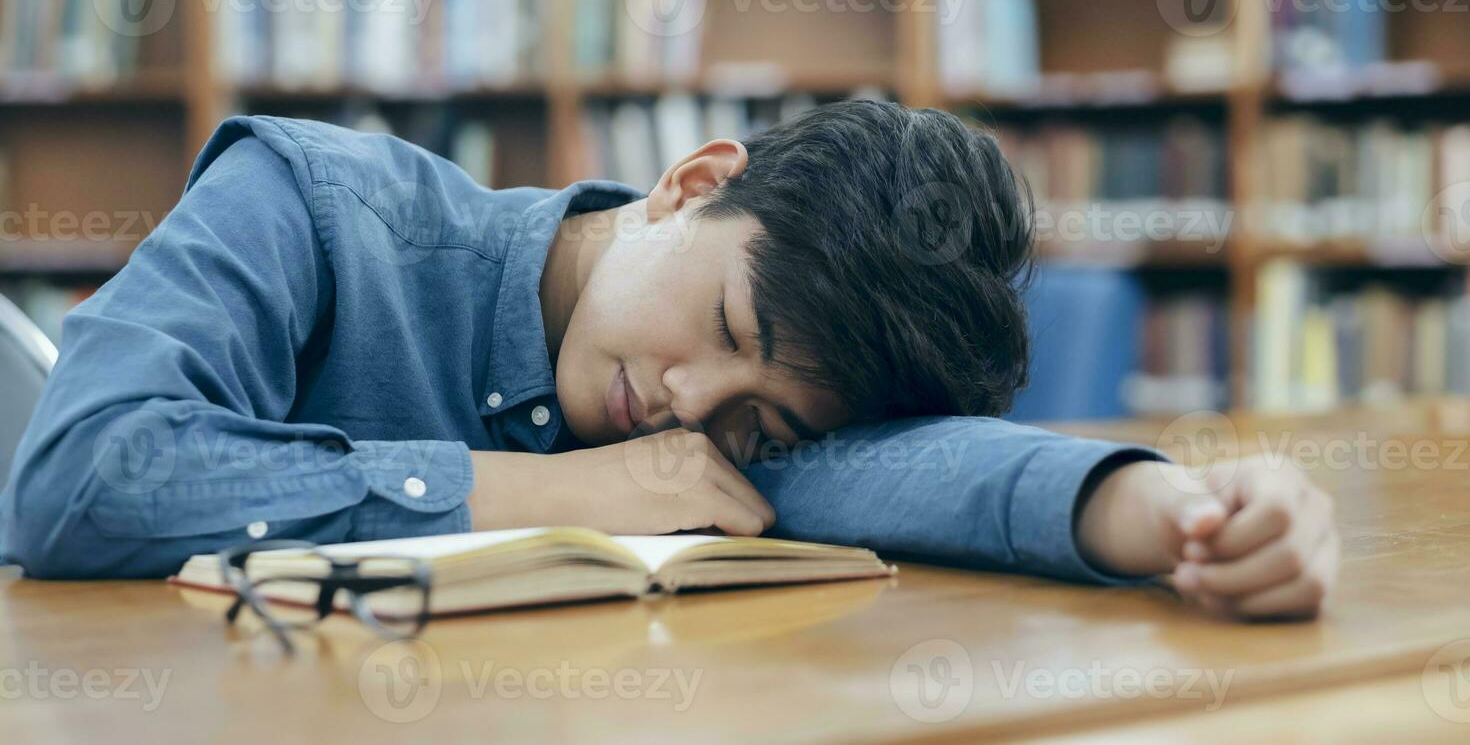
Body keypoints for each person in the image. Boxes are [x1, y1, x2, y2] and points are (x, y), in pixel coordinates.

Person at [0, 102, 1337, 618]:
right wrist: (545, 493)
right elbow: (76, 480)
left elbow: (909, 473)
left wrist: (1175, 513)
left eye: (764, 423)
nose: (693, 411)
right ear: (692, 183)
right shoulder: (313, 204)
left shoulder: (729, 432)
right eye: (732, 333)